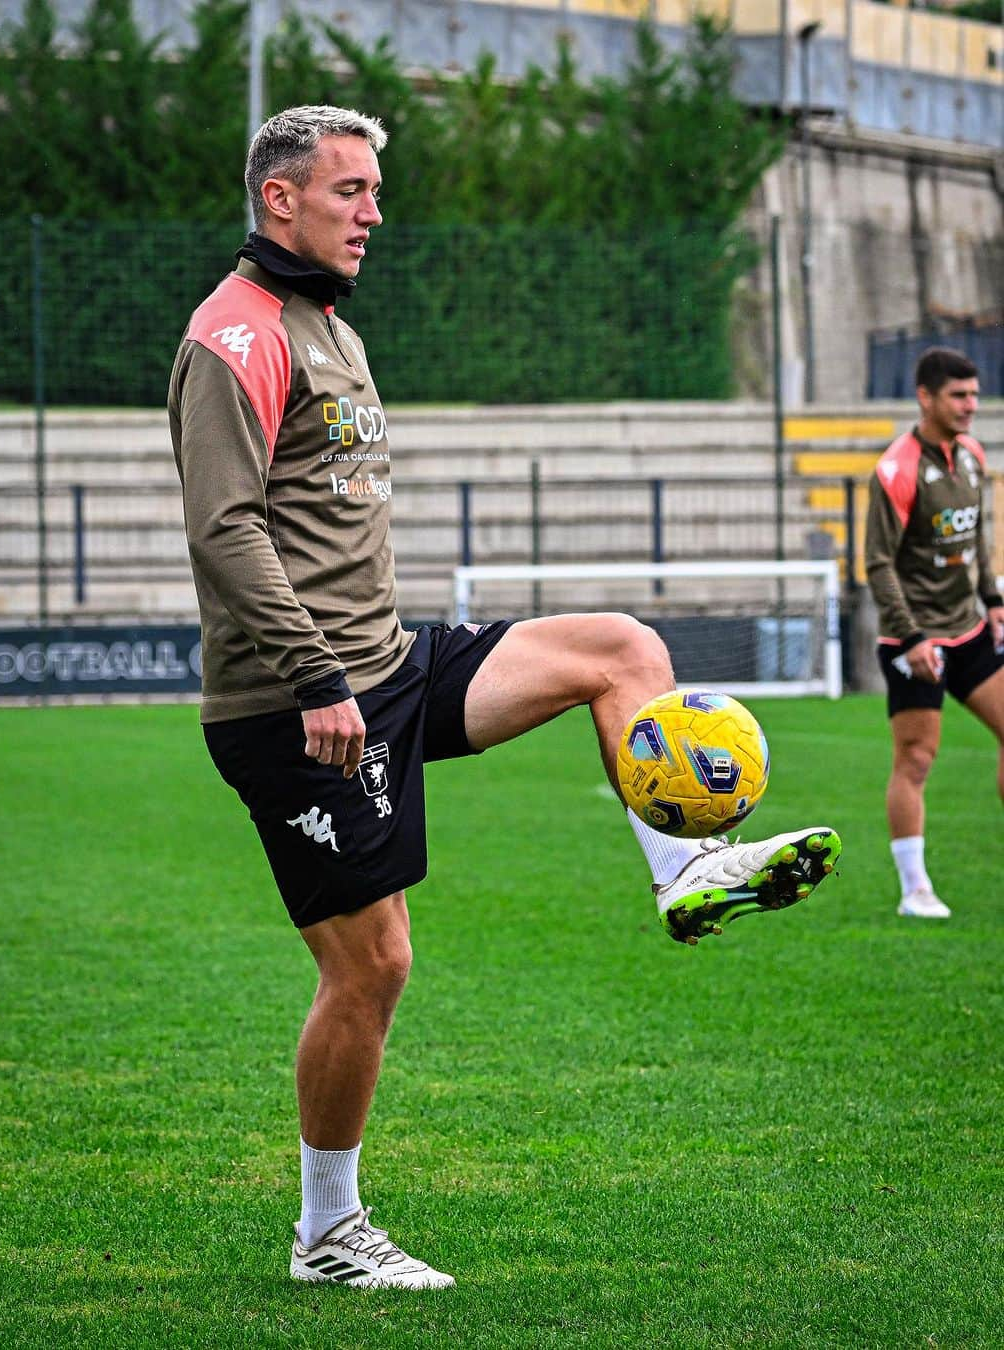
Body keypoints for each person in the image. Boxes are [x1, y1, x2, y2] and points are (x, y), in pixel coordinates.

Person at [168, 104, 842, 1290]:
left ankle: (691, 873)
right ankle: (328, 1235)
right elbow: (225, 531)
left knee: (619, 649)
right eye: (352, 191)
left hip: (391, 664)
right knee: (372, 967)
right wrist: (319, 675)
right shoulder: (234, 338)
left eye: (376, 190)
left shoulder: (329, 327)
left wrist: (362, 661)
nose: (376, 211)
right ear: (280, 198)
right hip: (298, 703)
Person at [864, 346, 1004, 919]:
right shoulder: (896, 469)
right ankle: (914, 889)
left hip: (968, 630)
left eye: (974, 394)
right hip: (913, 639)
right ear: (926, 397)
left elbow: (977, 540)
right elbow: (877, 563)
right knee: (917, 760)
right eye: (959, 395)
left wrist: (993, 600)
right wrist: (914, 637)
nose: (971, 405)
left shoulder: (971, 454)